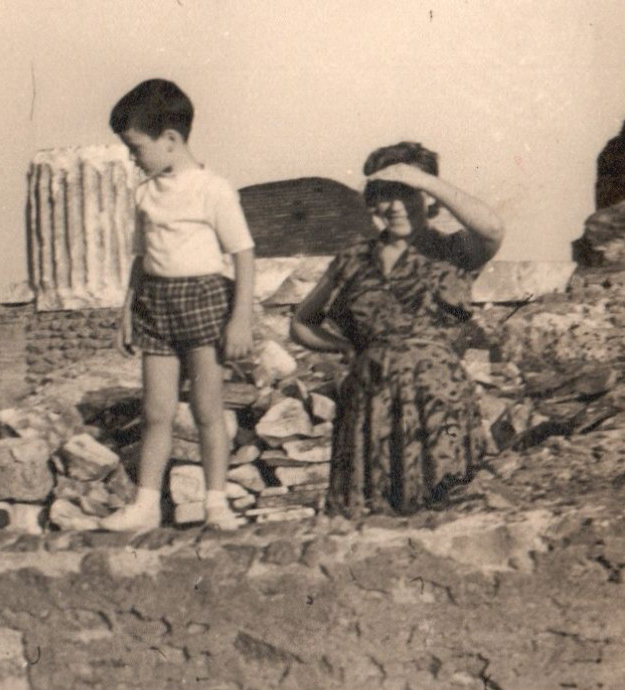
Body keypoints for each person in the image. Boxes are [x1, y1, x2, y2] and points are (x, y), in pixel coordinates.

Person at [290, 141, 503, 517]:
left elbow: (493, 227)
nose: (397, 206)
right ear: (373, 201)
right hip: (369, 407)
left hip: (439, 404)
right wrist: (342, 348)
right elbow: (301, 323)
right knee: (368, 522)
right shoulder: (354, 259)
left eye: (409, 194)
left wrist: (420, 178)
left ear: (429, 198)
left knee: (446, 512)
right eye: (387, 195)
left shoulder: (453, 251)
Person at [99, 79, 256, 534]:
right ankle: (146, 504)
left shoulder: (213, 189)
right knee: (156, 411)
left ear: (170, 140)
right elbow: (141, 259)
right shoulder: (145, 194)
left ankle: (216, 503)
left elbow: (243, 254)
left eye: (136, 146)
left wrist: (240, 319)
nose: (133, 157)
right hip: (156, 305)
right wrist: (127, 312)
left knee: (208, 409)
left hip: (204, 301)